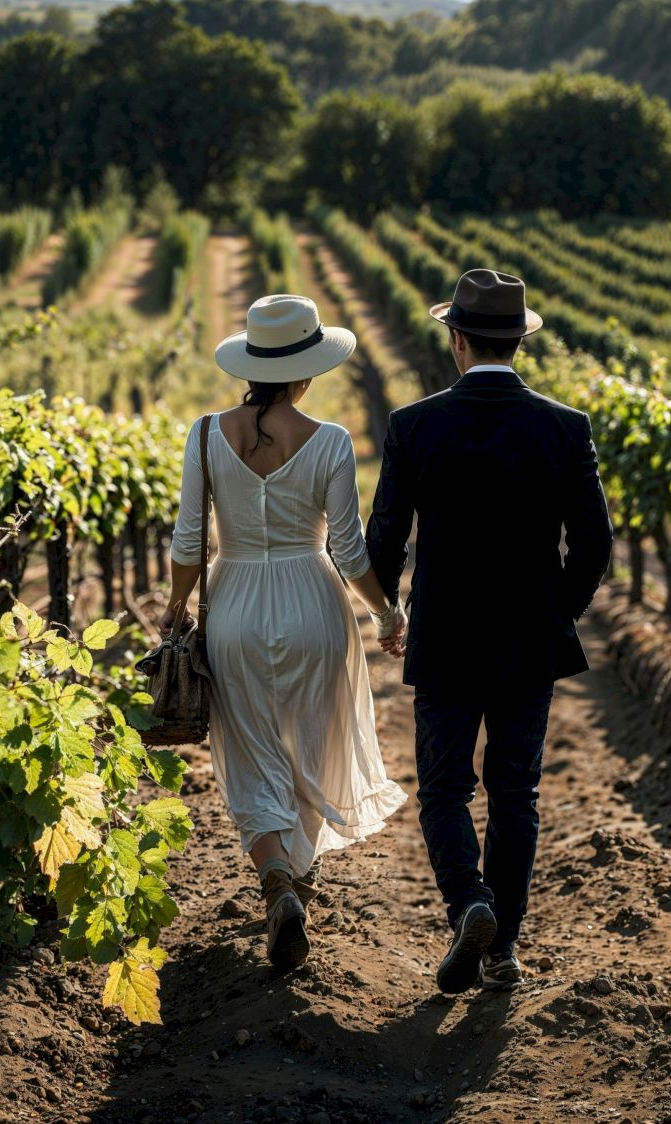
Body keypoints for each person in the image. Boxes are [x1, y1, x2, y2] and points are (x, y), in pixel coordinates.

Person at [364, 269, 613, 994]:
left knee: (443, 791)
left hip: (444, 637)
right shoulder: (566, 428)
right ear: (518, 343)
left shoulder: (414, 426)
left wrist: (388, 611)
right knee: (515, 793)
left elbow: (385, 539)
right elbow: (594, 544)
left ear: (458, 341)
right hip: (528, 641)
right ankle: (502, 948)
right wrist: (556, 607)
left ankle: (468, 902)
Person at [160, 294, 410, 971]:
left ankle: (276, 883)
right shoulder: (329, 441)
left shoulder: (207, 433)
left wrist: (178, 607)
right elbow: (350, 551)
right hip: (314, 602)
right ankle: (298, 882)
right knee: (311, 745)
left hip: (236, 600)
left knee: (249, 753)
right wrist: (387, 613)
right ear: (307, 370)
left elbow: (189, 541)